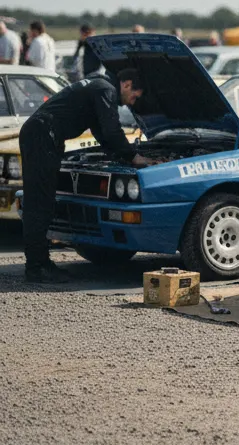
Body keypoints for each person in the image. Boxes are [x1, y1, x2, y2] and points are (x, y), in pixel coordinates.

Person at [19, 68, 156, 284]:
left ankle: (38, 264)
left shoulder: (97, 85)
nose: (131, 103)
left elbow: (101, 133)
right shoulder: (105, 89)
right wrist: (133, 157)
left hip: (40, 134)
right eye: (134, 97)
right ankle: (37, 267)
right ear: (127, 84)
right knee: (40, 204)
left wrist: (118, 156)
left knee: (40, 202)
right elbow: (112, 130)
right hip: (42, 136)